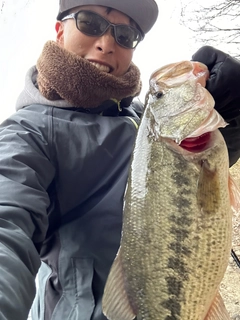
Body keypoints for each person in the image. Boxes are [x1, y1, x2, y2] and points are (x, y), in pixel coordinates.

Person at [1, 0, 240, 319]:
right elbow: (7, 223)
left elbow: (197, 186)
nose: (107, 43)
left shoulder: (141, 121)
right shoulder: (26, 135)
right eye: (89, 22)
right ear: (59, 31)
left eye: (126, 35)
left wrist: (231, 116)